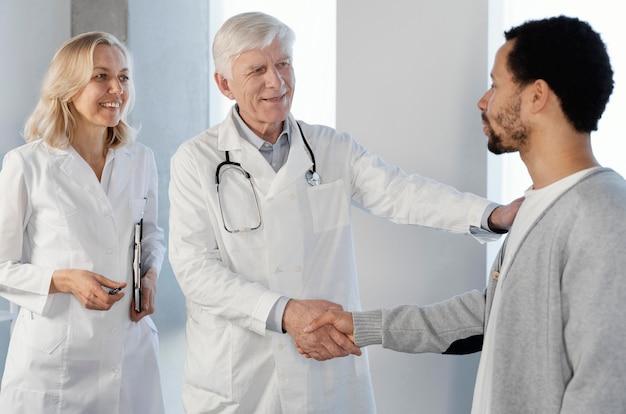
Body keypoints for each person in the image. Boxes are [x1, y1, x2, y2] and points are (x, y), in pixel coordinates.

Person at [168, 11, 520, 413]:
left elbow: (401, 192)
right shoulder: (195, 161)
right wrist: (285, 314)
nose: (276, 81)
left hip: (325, 376)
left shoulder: (330, 147)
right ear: (224, 84)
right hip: (240, 377)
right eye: (257, 70)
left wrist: (492, 214)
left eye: (283, 63)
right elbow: (196, 270)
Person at [304, 15, 626, 413]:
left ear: (537, 96)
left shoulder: (602, 214)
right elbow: (487, 315)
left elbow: (605, 387)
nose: (483, 100)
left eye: (495, 84)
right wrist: (365, 326)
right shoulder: (536, 207)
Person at [0, 32, 166, 413]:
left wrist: (151, 275)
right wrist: (63, 280)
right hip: (55, 363)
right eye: (100, 76)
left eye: (124, 77)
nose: (116, 89)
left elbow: (151, 234)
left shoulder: (140, 159)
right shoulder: (26, 164)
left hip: (130, 351)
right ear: (68, 87)